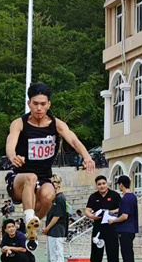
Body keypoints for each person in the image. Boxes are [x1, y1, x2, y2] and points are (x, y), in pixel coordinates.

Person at [5, 81, 94, 251]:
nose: (39, 108)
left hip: (44, 178)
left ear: (49, 105)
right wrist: (12, 156)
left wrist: (87, 157)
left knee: (49, 194)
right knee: (31, 177)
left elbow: (73, 140)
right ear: (29, 103)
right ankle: (29, 217)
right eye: (35, 104)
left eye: (43, 104)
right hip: (19, 179)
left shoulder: (56, 124)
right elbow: (10, 143)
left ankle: (31, 227)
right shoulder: (19, 123)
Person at [85, 175, 121, 262]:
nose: (102, 186)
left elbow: (121, 208)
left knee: (113, 252)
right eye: (99, 184)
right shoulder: (93, 196)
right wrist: (91, 216)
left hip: (111, 227)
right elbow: (87, 210)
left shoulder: (114, 195)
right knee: (95, 254)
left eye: (103, 183)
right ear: (96, 185)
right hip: (98, 228)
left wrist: (111, 212)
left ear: (107, 184)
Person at [108, 175, 139, 262]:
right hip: (130, 229)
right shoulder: (132, 196)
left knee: (127, 254)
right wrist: (114, 211)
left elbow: (124, 216)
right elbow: (124, 210)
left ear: (121, 184)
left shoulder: (126, 198)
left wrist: (113, 221)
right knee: (127, 253)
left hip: (125, 229)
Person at [42, 174, 69, 262]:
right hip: (51, 232)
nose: (54, 184)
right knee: (51, 258)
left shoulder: (60, 198)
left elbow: (57, 216)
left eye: (55, 182)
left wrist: (47, 228)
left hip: (57, 231)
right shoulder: (53, 199)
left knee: (57, 257)